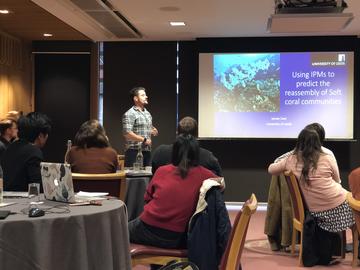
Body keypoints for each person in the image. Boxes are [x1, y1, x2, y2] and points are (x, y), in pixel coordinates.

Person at [128, 134, 219, 250]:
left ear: (174, 152)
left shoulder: (161, 170)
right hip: (177, 236)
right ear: (197, 153)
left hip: (148, 227)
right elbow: (221, 184)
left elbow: (147, 198)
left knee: (116, 232)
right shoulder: (206, 175)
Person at [268, 127, 354, 233]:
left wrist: (289, 156)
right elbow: (337, 181)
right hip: (339, 207)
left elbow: (271, 169)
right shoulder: (327, 157)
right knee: (357, 208)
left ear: (299, 142)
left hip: (315, 213)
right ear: (318, 142)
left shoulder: (290, 160)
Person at [151, 116, 222, 176]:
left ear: (177, 133)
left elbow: (154, 175)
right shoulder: (208, 157)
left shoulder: (160, 152)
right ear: (197, 135)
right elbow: (219, 182)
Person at [1, 112, 51, 191]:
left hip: (5, 198)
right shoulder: (34, 152)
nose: (47, 137)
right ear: (40, 135)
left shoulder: (11, 147)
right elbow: (37, 187)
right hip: (21, 201)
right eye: (47, 134)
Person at [122, 87, 158, 167]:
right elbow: (127, 133)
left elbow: (145, 126)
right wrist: (144, 140)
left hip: (147, 151)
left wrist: (152, 129)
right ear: (135, 98)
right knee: (133, 178)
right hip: (133, 152)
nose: (146, 97)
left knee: (146, 177)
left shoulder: (147, 113)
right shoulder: (130, 113)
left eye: (145, 95)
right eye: (143, 95)